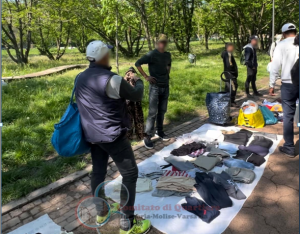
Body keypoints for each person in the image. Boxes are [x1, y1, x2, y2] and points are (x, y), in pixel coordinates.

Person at [75, 40, 151, 234]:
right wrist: (138, 80)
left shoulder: (79, 77)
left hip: (91, 135)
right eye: (107, 53)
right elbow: (136, 95)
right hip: (113, 136)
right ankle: (128, 224)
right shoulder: (113, 79)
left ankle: (101, 212)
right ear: (101, 56)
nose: (109, 55)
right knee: (130, 174)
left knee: (98, 173)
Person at [135, 34, 172, 149]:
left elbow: (169, 65)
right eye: (161, 42)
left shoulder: (167, 55)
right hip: (155, 87)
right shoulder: (151, 54)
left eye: (165, 42)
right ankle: (147, 136)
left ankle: (159, 131)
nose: (163, 44)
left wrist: (166, 74)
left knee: (162, 111)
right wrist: (146, 77)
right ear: (157, 43)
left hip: (165, 86)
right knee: (152, 112)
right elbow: (137, 63)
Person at [270, 23, 299, 157]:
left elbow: (275, 66)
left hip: (288, 84)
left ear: (283, 34)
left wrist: (272, 85)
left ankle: (289, 146)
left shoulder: (281, 45)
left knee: (288, 116)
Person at [221, 42, 239, 107]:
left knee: (228, 87)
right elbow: (229, 64)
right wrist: (231, 73)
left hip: (230, 73)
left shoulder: (229, 54)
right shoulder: (226, 54)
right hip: (229, 74)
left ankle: (227, 101)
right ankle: (231, 101)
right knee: (233, 87)